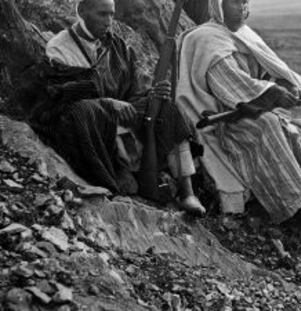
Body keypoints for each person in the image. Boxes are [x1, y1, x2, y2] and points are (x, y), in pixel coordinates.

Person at [176, 0, 301, 227]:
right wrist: (273, 93)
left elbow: (269, 70)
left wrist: (287, 85)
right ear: (217, 5)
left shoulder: (243, 33)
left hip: (255, 102)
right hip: (227, 117)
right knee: (268, 123)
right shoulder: (205, 38)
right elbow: (231, 87)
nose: (243, 9)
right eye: (236, 3)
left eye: (245, 2)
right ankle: (297, 202)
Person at [37, 0, 205, 215]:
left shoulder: (117, 46)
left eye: (111, 15)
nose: (109, 22)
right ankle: (117, 172)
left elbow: (132, 91)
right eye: (102, 14)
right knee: (82, 112)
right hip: (87, 121)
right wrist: (107, 104)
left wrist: (151, 96)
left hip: (120, 116)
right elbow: (59, 96)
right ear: (81, 11)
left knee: (168, 108)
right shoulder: (60, 47)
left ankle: (187, 191)